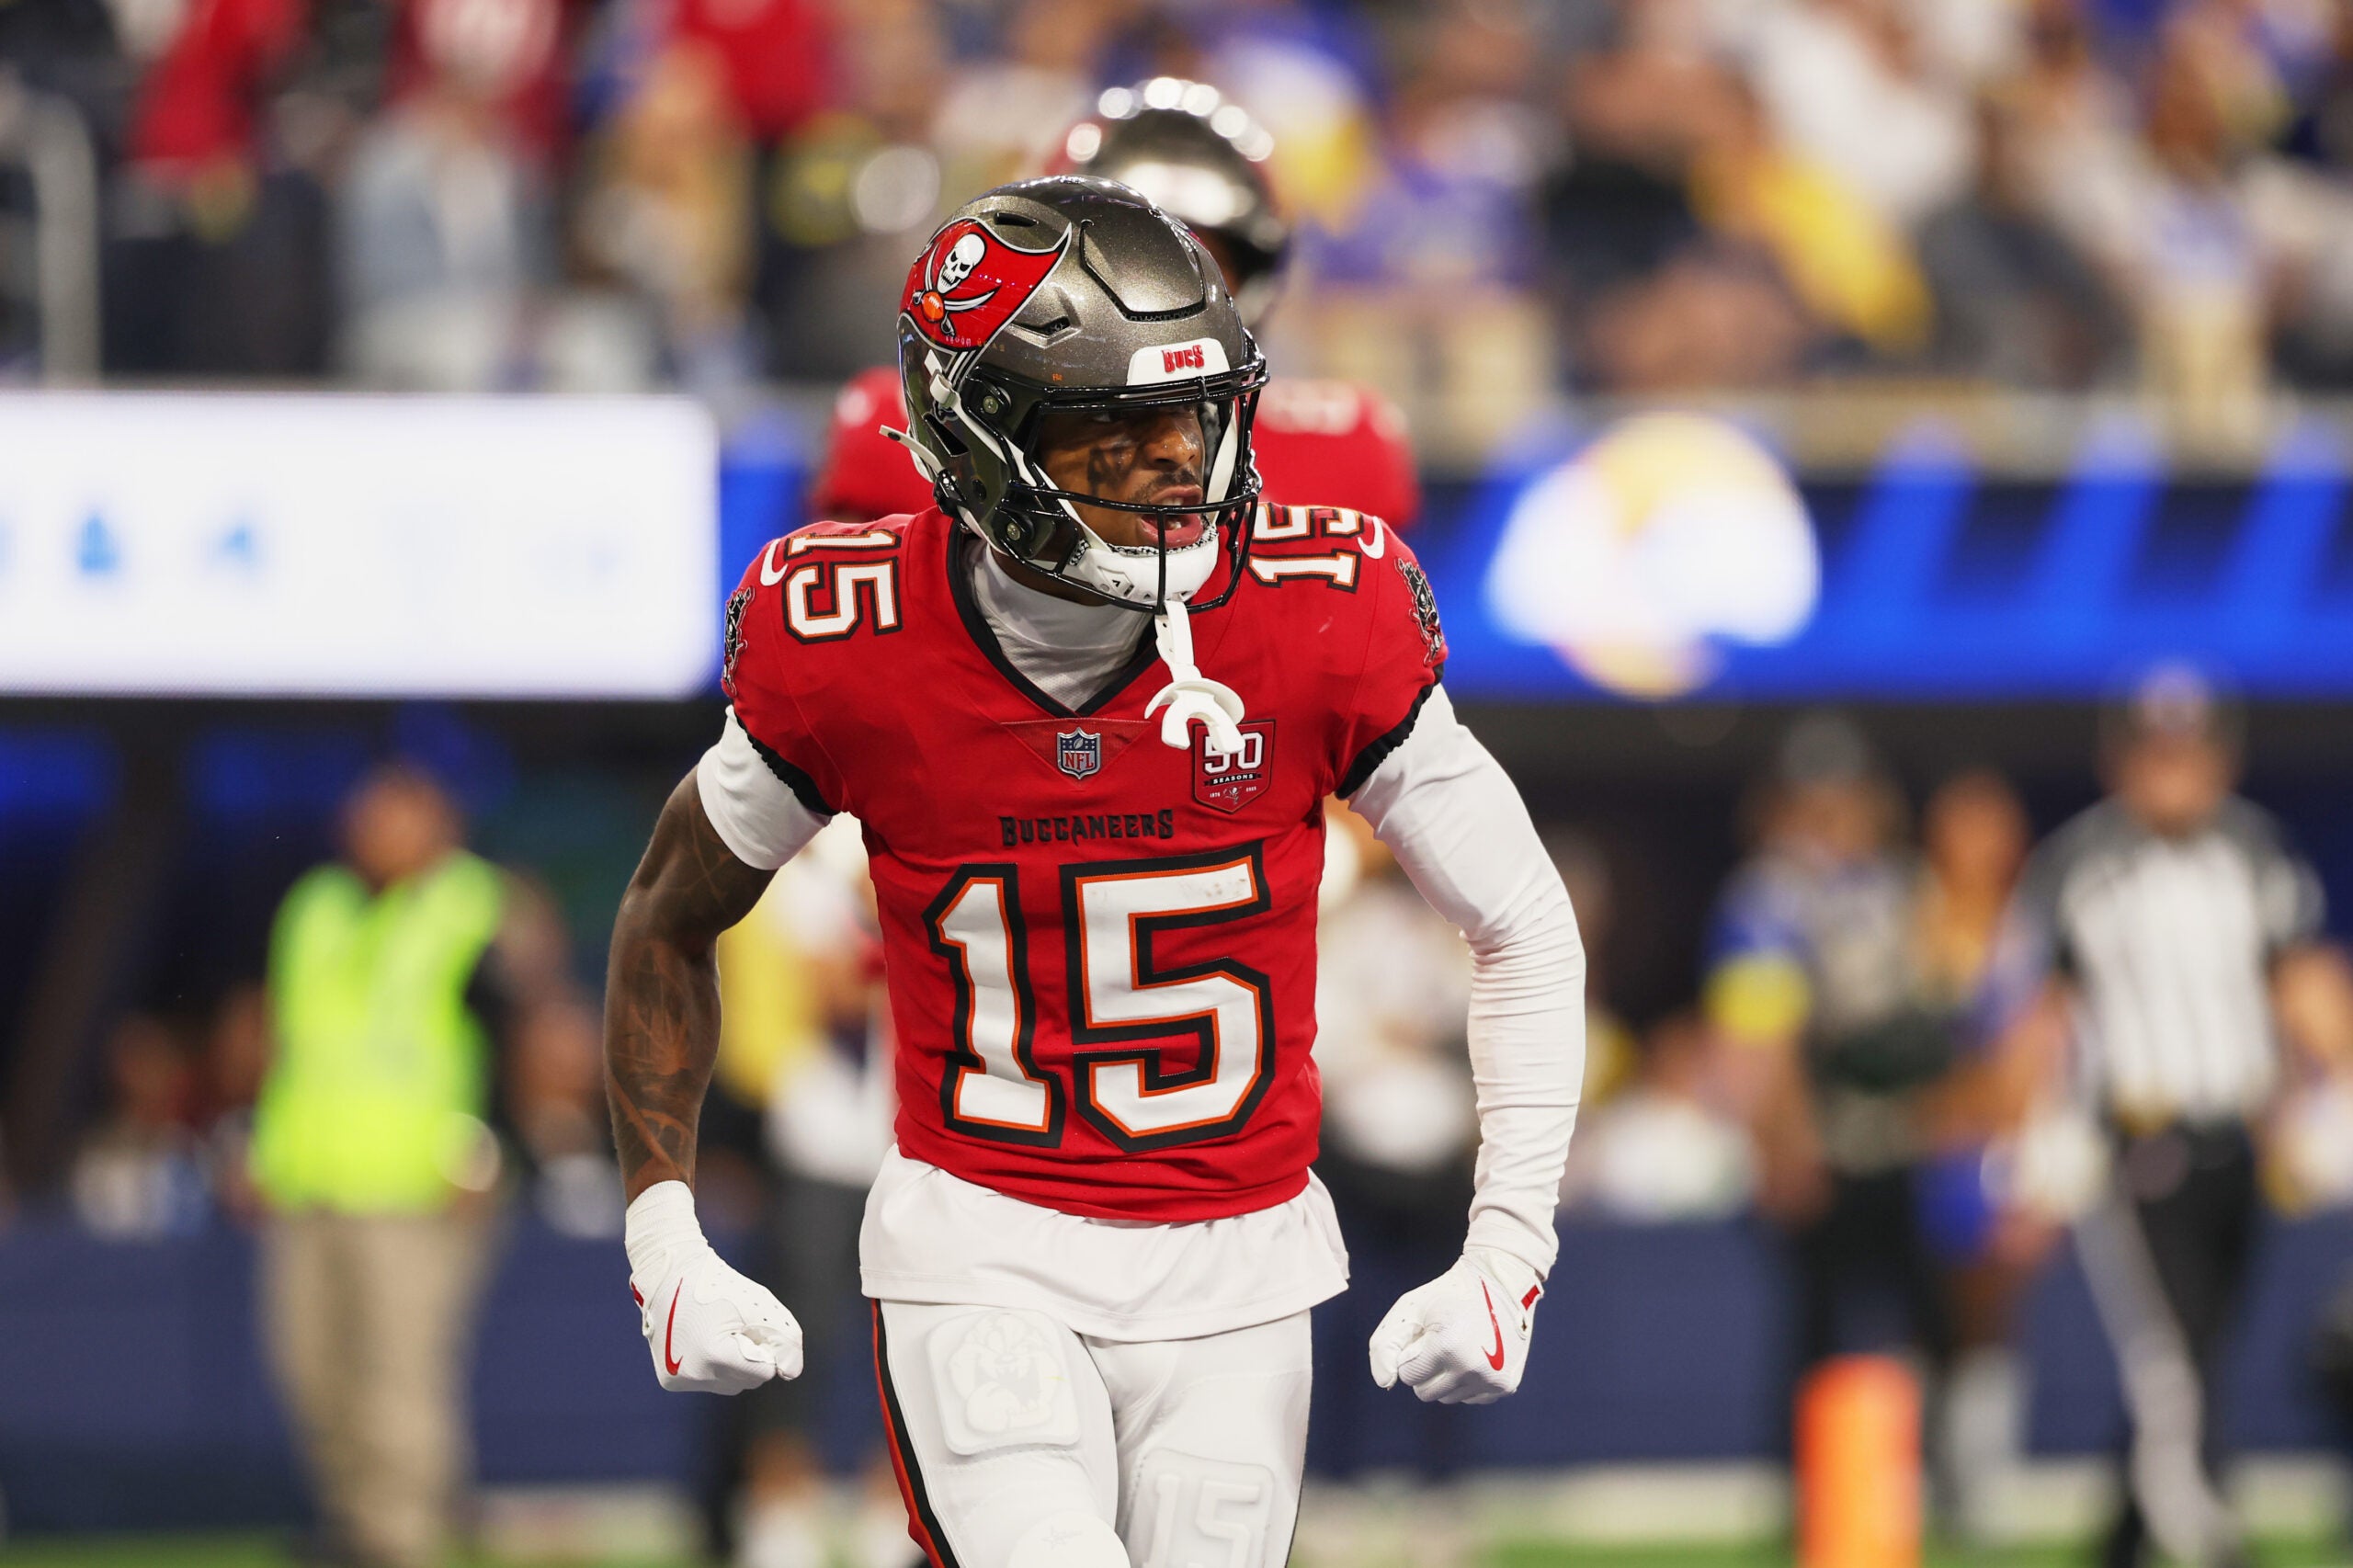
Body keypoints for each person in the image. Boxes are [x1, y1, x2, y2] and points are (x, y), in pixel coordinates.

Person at [603, 176, 1585, 1568]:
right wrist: (663, 1235)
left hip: (1241, 1262)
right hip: (982, 1241)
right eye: (1118, 428)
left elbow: (1524, 920)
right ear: (980, 437)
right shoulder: (849, 636)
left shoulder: (1318, 607)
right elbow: (666, 915)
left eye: (1198, 414)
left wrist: (1510, 1248)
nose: (1182, 463)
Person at [1995, 668, 2353, 1568]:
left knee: (2201, 1348)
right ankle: (2208, 1536)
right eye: (2156, 753)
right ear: (2119, 759)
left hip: (2235, 1137)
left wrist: (2336, 1088)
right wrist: (2021, 1148)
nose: (2174, 772)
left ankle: (2124, 1534)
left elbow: (2303, 983)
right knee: (2169, 1361)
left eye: (2190, 752)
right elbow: (2039, 1019)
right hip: (2137, 1138)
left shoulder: (2255, 854)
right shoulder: (2078, 865)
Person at [804, 79, 1423, 530]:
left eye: (1193, 267)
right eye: (1120, 269)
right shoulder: (909, 426)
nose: (1155, 310)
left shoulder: (1347, 444)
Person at [251, 764, 554, 1568]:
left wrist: (489, 1150)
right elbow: (289, 1039)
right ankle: (353, 1526)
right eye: (367, 815)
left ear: (439, 826)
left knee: (399, 1377)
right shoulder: (316, 905)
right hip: (311, 1177)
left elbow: (524, 1037)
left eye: (396, 817)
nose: (376, 832)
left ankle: (400, 1539)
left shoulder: (477, 905)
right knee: (311, 1370)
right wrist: (261, 1148)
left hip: (421, 1185)